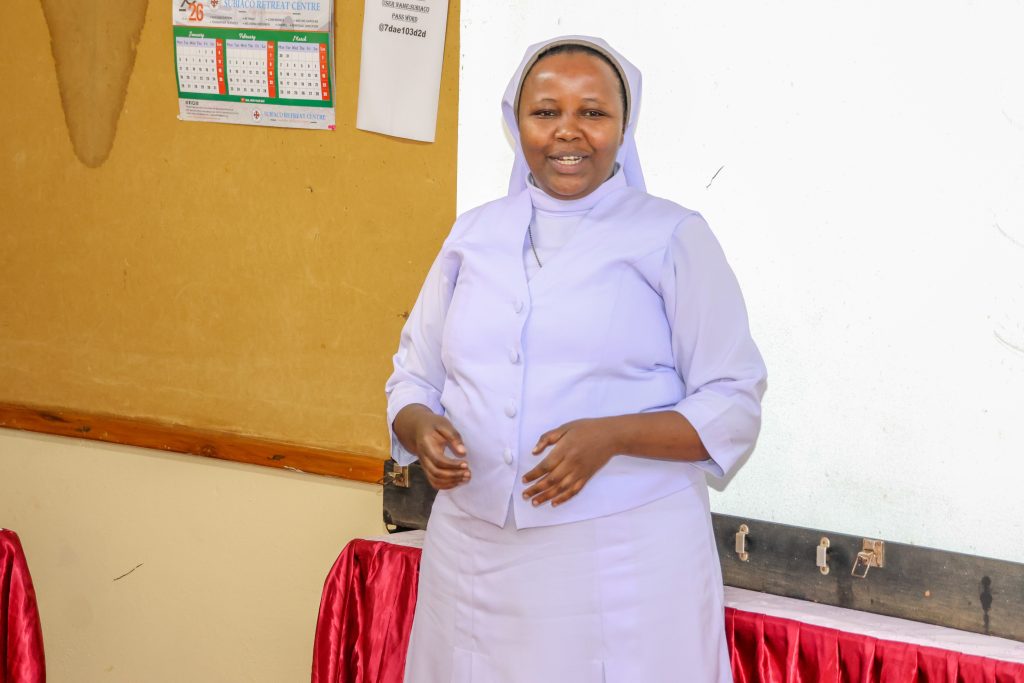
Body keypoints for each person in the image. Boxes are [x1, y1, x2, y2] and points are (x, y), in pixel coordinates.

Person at [385, 35, 766, 683]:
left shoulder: (671, 236)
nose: (569, 131)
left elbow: (733, 399)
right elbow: (413, 377)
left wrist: (612, 436)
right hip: (472, 558)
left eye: (593, 112)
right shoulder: (472, 235)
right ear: (517, 124)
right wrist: (420, 427)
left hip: (624, 558)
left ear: (623, 126)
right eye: (545, 112)